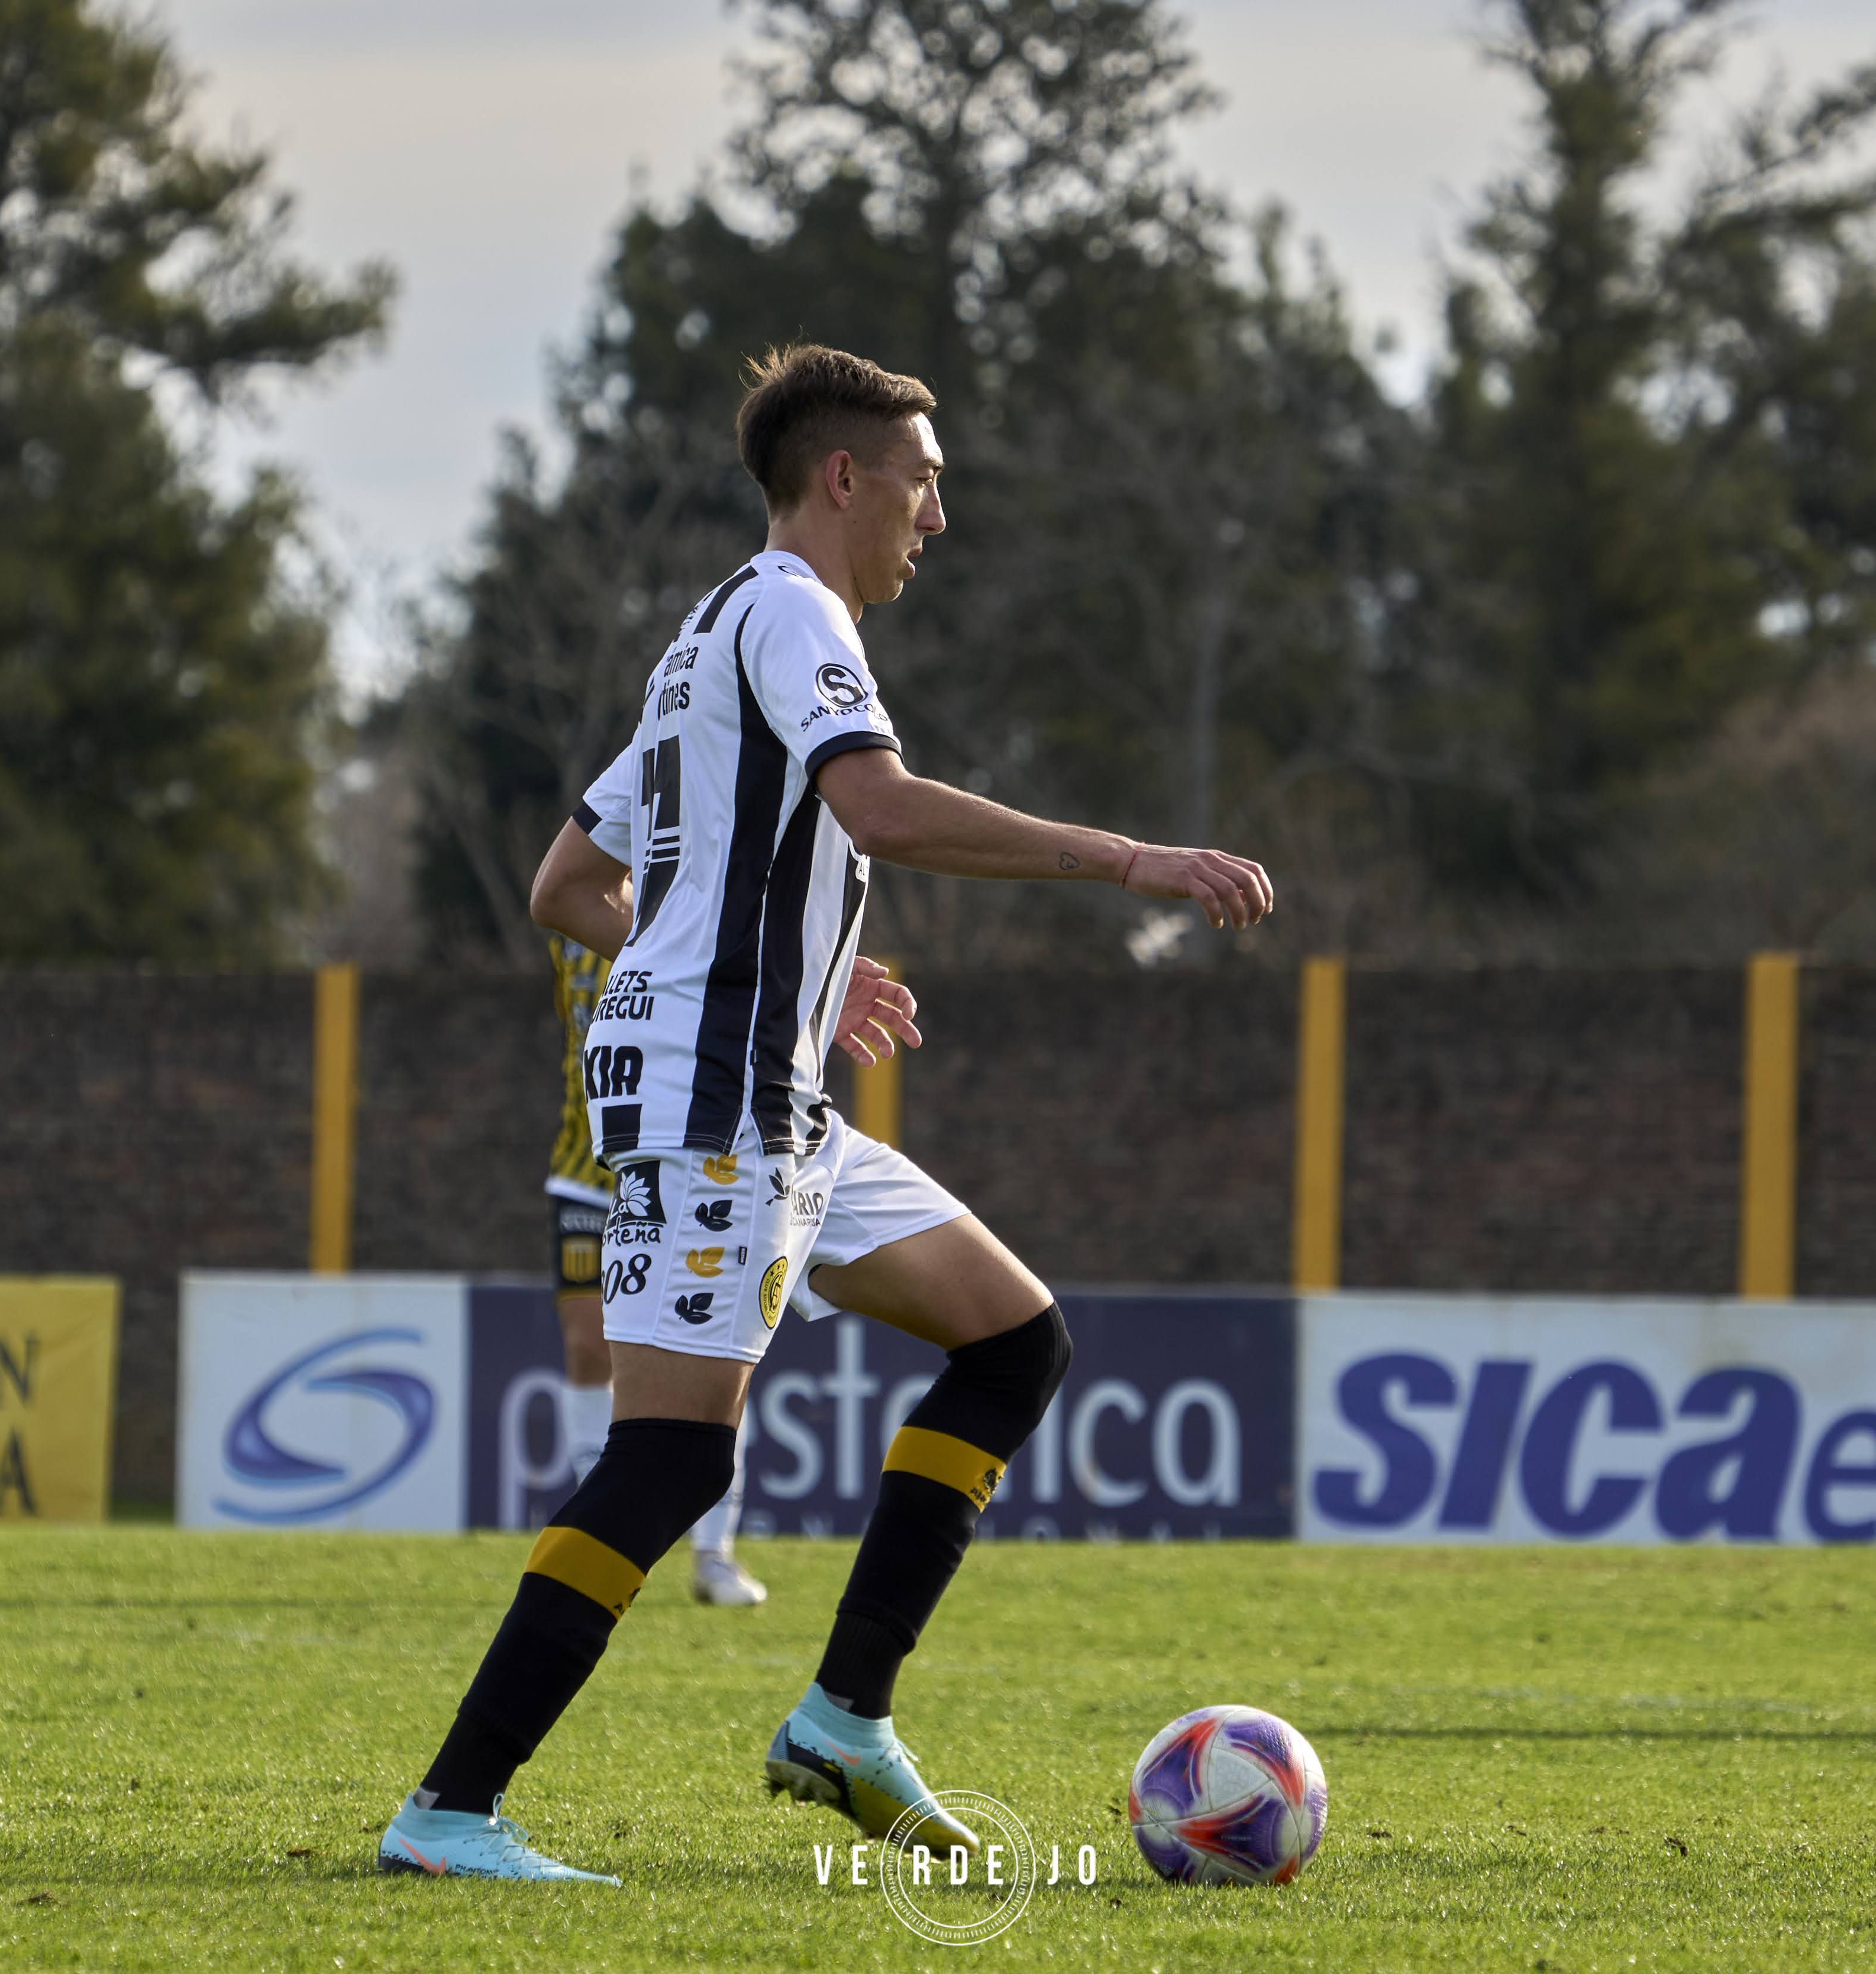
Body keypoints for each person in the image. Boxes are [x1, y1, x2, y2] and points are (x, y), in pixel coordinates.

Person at [376, 344, 1272, 1885]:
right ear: (843, 477)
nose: (939, 511)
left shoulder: (706, 641)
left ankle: (843, 1720)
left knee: (1012, 1342)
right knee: (667, 1461)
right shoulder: (793, 612)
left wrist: (793, 960)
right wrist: (1128, 861)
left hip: (760, 1076)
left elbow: (567, 886)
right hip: (716, 1086)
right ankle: (450, 1813)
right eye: (924, 480)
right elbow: (879, 807)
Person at [544, 928, 764, 1605]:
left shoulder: (701, 911)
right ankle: (593, 1533)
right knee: (589, 1347)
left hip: (685, 1161)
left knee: (721, 1353)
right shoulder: (576, 909)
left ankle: (713, 1553)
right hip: (585, 1167)